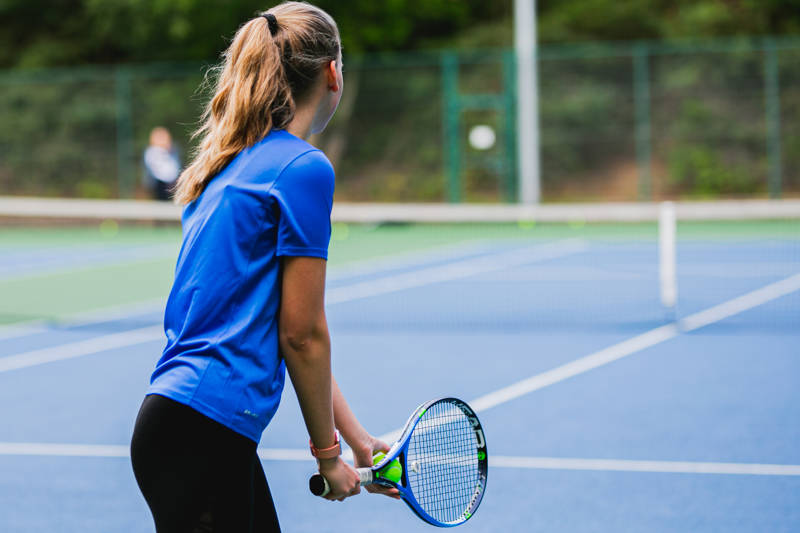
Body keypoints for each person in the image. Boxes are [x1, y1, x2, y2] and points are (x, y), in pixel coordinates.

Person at [129, 3, 398, 532]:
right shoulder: (303, 168)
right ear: (333, 73)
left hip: (182, 425)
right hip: (202, 433)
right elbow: (302, 334)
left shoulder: (227, 164)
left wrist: (356, 439)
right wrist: (327, 455)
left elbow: (286, 328)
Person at [142, 127, 181, 201]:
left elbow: (175, 168)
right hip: (158, 185)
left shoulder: (172, 152)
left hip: (171, 183)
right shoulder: (152, 152)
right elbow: (157, 171)